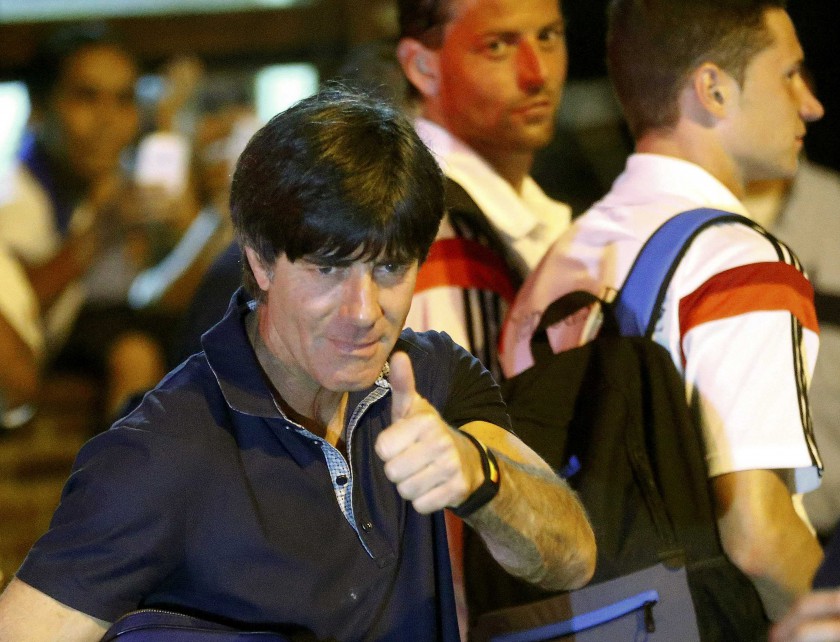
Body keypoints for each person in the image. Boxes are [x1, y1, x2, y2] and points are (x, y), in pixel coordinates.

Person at [0, 87, 596, 641]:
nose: (364, 312)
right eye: (327, 268)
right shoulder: (162, 451)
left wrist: (478, 476)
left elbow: (572, 558)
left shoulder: (431, 375)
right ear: (259, 261)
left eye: (389, 268)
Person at [501, 0, 824, 622]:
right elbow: (757, 535)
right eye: (788, 73)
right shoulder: (740, 264)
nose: (809, 102)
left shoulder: (558, 263)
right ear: (713, 90)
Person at [0, 23, 169, 422]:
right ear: (40, 108)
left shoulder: (91, 188)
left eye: (123, 99)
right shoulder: (13, 197)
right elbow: (16, 315)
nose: (108, 119)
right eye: (86, 97)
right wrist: (101, 234)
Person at [396, 0, 572, 380]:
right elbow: (470, 434)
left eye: (548, 36)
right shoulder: (435, 231)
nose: (537, 73)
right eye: (497, 46)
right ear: (422, 67)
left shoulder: (498, 212)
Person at [743, 158, 840, 541]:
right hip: (736, 544)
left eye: (807, 91)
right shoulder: (665, 222)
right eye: (785, 90)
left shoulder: (831, 206)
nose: (806, 104)